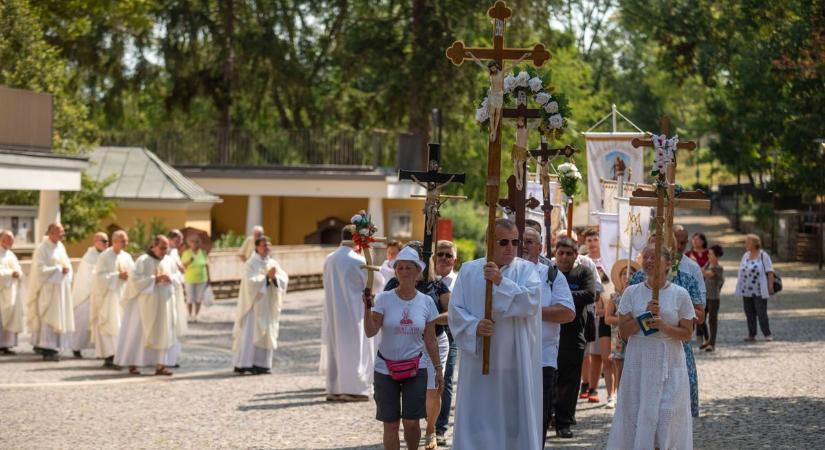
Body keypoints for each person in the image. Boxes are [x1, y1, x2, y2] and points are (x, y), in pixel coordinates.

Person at [449, 218, 543, 449]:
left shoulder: (527, 270)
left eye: (514, 242)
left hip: (513, 362)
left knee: (511, 420)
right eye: (503, 242)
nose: (510, 247)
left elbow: (530, 303)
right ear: (489, 242)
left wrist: (501, 282)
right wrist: (473, 326)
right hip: (479, 361)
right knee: (478, 416)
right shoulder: (469, 271)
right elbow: (455, 311)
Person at [607, 245, 695, 450]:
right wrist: (643, 317)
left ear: (667, 264)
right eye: (645, 257)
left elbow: (687, 333)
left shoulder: (680, 294)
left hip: (669, 361)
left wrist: (663, 325)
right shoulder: (632, 293)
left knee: (666, 417)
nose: (648, 261)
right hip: (640, 361)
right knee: (640, 414)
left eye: (654, 257)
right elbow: (624, 333)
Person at [364, 246, 442, 450]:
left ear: (418, 272)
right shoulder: (383, 299)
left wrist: (438, 368)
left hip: (416, 368)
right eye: (400, 268)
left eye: (409, 268)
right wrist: (366, 309)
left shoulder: (426, 302)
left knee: (411, 422)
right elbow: (371, 331)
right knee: (390, 423)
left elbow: (431, 340)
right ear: (395, 271)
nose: (405, 272)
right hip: (385, 369)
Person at [627, 232, 705, 418]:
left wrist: (673, 316)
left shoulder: (687, 278)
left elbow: (699, 316)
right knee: (642, 403)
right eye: (649, 253)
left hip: (675, 346)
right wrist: (645, 315)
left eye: (658, 252)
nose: (652, 259)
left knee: (672, 405)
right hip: (643, 345)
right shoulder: (637, 280)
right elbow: (625, 317)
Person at [382, 242, 450, 449]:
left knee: (432, 389)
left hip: (434, 340)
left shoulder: (437, 285)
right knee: (405, 389)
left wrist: (429, 318)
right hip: (405, 342)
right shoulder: (394, 283)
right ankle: (408, 426)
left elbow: (450, 314)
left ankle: (431, 430)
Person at [319, 226, 383, 402]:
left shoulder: (329, 259)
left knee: (336, 348)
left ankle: (335, 388)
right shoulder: (358, 261)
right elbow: (377, 283)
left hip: (333, 311)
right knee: (355, 349)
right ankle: (355, 388)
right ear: (358, 240)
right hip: (354, 311)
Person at [524, 228, 576, 445]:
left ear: (540, 247)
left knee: (539, 416)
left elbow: (567, 312)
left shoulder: (551, 275)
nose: (523, 245)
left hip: (542, 358)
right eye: (520, 241)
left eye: (529, 241)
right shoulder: (502, 273)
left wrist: (529, 310)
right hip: (509, 358)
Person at [116, 236, 185, 375]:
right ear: (153, 246)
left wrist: (170, 278)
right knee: (138, 334)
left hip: (164, 303)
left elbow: (179, 276)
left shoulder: (169, 260)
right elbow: (134, 280)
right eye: (162, 248)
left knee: (163, 333)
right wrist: (155, 279)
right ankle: (133, 363)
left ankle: (161, 365)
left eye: (166, 248)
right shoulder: (143, 260)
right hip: (144, 305)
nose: (164, 251)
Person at [553, 236, 596, 438]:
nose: (564, 257)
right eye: (561, 253)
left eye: (569, 253)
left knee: (570, 382)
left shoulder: (583, 272)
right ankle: (548, 416)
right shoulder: (549, 273)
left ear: (575, 255)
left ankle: (564, 422)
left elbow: (589, 294)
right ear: (555, 254)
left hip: (574, 335)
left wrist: (560, 298)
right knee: (551, 379)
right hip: (550, 336)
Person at [232, 236, 289, 375]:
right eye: (264, 245)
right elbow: (249, 283)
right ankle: (245, 363)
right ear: (257, 247)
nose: (266, 248)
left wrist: (274, 278)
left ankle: (262, 364)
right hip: (254, 305)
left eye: (268, 245)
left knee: (266, 333)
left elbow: (284, 279)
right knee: (250, 334)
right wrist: (266, 279)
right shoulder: (251, 263)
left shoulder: (273, 263)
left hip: (268, 305)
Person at [27, 223, 74, 361]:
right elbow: (39, 270)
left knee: (57, 316)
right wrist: (59, 269)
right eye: (60, 231)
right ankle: (47, 348)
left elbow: (68, 265)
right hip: (48, 289)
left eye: (63, 231)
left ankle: (53, 347)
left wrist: (66, 271)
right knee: (48, 317)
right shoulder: (42, 248)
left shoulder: (60, 247)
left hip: (60, 289)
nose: (63, 234)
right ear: (51, 233)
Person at [89, 230, 133, 368]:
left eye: (126, 240)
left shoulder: (126, 256)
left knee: (122, 325)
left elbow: (134, 272)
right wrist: (117, 276)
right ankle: (111, 355)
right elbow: (100, 277)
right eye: (123, 241)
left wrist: (128, 276)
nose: (126, 243)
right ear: (114, 241)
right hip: (109, 297)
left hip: (123, 295)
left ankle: (121, 355)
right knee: (110, 325)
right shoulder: (104, 256)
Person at [582, 227, 613, 405]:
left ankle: (593, 387)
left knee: (596, 353)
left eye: (595, 240)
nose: (593, 244)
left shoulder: (607, 262)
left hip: (601, 312)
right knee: (584, 352)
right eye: (589, 241)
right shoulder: (583, 262)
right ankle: (584, 383)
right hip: (585, 309)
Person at [433, 240, 459, 445]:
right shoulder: (424, 280)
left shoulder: (460, 282)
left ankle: (440, 427)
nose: (443, 258)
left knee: (446, 379)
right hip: (425, 335)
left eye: (448, 255)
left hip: (451, 334)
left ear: (455, 260)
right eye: (440, 254)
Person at [70, 232, 108, 358]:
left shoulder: (106, 255)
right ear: (95, 241)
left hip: (100, 294)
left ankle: (100, 350)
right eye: (103, 241)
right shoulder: (89, 257)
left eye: (107, 241)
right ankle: (76, 347)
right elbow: (89, 276)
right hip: (86, 295)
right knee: (83, 322)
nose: (106, 244)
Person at [604, 259, 640, 389]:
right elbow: (607, 318)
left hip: (636, 336)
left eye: (631, 274)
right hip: (619, 338)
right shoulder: (615, 297)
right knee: (620, 369)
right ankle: (620, 401)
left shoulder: (639, 297)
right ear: (619, 277)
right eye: (624, 274)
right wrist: (624, 321)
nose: (627, 277)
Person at [735, 234, 775, 342]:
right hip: (746, 290)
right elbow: (741, 271)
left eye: (748, 242)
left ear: (754, 243)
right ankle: (751, 334)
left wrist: (770, 286)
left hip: (759, 290)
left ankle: (767, 334)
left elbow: (770, 272)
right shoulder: (745, 255)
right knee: (749, 313)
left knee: (761, 312)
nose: (746, 244)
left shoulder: (763, 255)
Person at [0, 230, 25, 355]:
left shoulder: (11, 255)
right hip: (2, 291)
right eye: (8, 238)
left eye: (11, 238)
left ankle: (7, 344)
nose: (10, 240)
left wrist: (18, 273)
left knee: (10, 319)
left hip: (12, 291)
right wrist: (11, 274)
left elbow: (19, 269)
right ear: (1, 239)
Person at [701, 245, 725, 352]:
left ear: (716, 256)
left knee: (712, 320)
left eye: (710, 254)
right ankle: (707, 339)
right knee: (701, 319)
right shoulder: (708, 264)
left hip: (714, 298)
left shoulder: (718, 268)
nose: (708, 255)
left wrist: (698, 268)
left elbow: (707, 274)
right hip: (704, 296)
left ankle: (712, 343)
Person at [181, 236, 209, 322]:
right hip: (189, 279)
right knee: (190, 298)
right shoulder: (186, 253)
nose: (194, 244)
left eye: (196, 242)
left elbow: (207, 265)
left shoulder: (203, 253)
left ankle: (196, 315)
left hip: (202, 279)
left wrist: (209, 279)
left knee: (198, 298)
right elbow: (182, 266)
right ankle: (189, 315)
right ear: (189, 243)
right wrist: (189, 261)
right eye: (192, 242)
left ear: (199, 243)